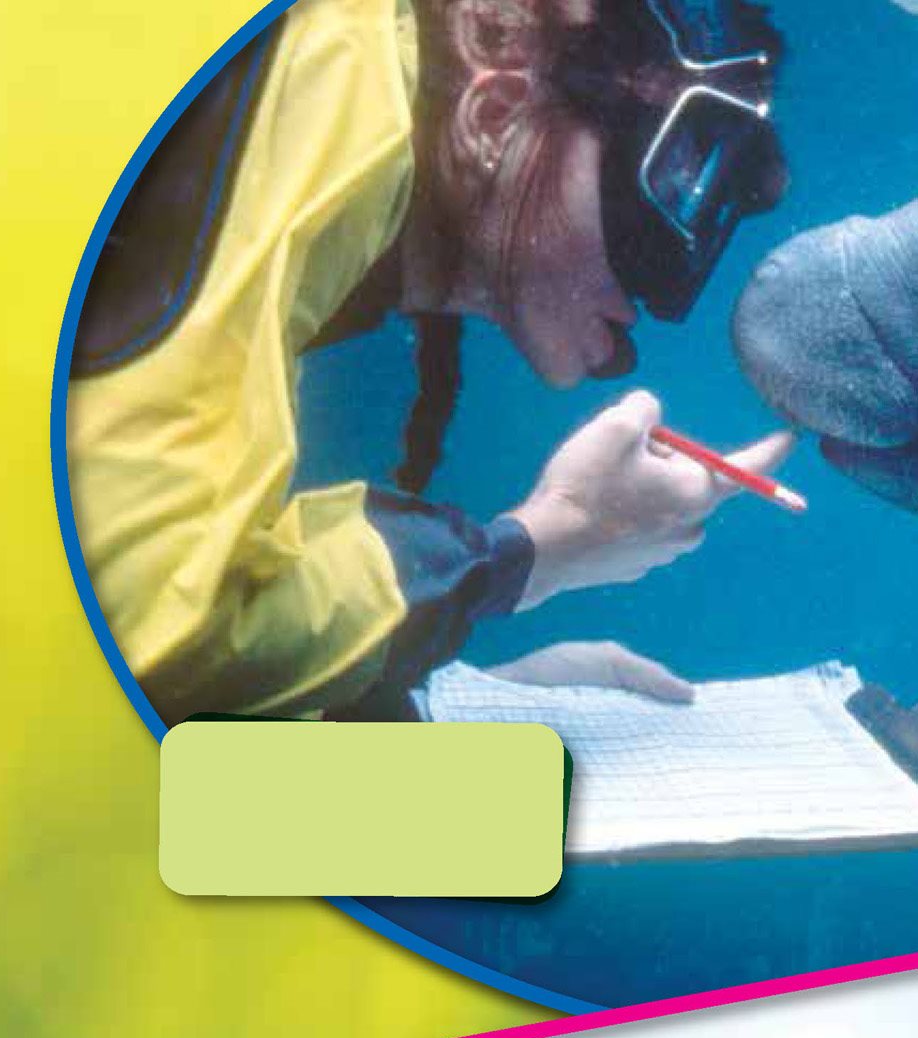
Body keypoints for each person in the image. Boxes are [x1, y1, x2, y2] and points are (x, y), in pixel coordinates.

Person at [66, 0, 791, 726]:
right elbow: (159, 621)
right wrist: (523, 554)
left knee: (475, 811)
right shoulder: (335, 84)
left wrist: (437, 707)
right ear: (494, 115)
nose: (663, 285)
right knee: (477, 825)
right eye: (669, 184)